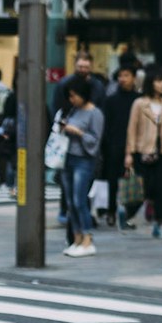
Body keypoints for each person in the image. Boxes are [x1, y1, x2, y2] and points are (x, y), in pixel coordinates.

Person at [128, 67, 162, 237]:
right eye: (158, 81)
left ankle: (161, 222)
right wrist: (129, 153)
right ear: (150, 83)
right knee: (144, 188)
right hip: (142, 151)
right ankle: (128, 211)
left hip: (161, 152)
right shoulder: (139, 104)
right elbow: (132, 129)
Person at [55, 76, 104, 257]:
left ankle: (87, 239)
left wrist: (78, 132)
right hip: (68, 158)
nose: (71, 99)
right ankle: (76, 238)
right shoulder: (73, 110)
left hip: (84, 160)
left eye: (74, 95)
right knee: (70, 202)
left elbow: (95, 141)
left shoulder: (95, 113)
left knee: (79, 200)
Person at [99, 65, 140, 228]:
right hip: (114, 145)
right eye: (121, 76)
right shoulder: (111, 100)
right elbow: (106, 124)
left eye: (127, 75)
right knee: (112, 181)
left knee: (133, 179)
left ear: (134, 78)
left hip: (134, 145)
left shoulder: (138, 100)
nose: (123, 79)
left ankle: (129, 213)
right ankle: (111, 211)